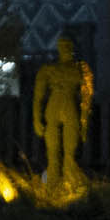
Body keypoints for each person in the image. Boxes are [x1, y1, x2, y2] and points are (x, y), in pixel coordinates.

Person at [29, 31, 95, 205]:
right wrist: (37, 118)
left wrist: (84, 122)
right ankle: (52, 185)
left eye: (68, 45)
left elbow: (87, 97)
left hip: (70, 106)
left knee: (70, 150)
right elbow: (38, 96)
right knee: (52, 150)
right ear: (58, 48)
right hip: (54, 106)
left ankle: (70, 182)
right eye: (62, 45)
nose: (65, 48)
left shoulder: (81, 68)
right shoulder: (49, 69)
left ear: (72, 48)